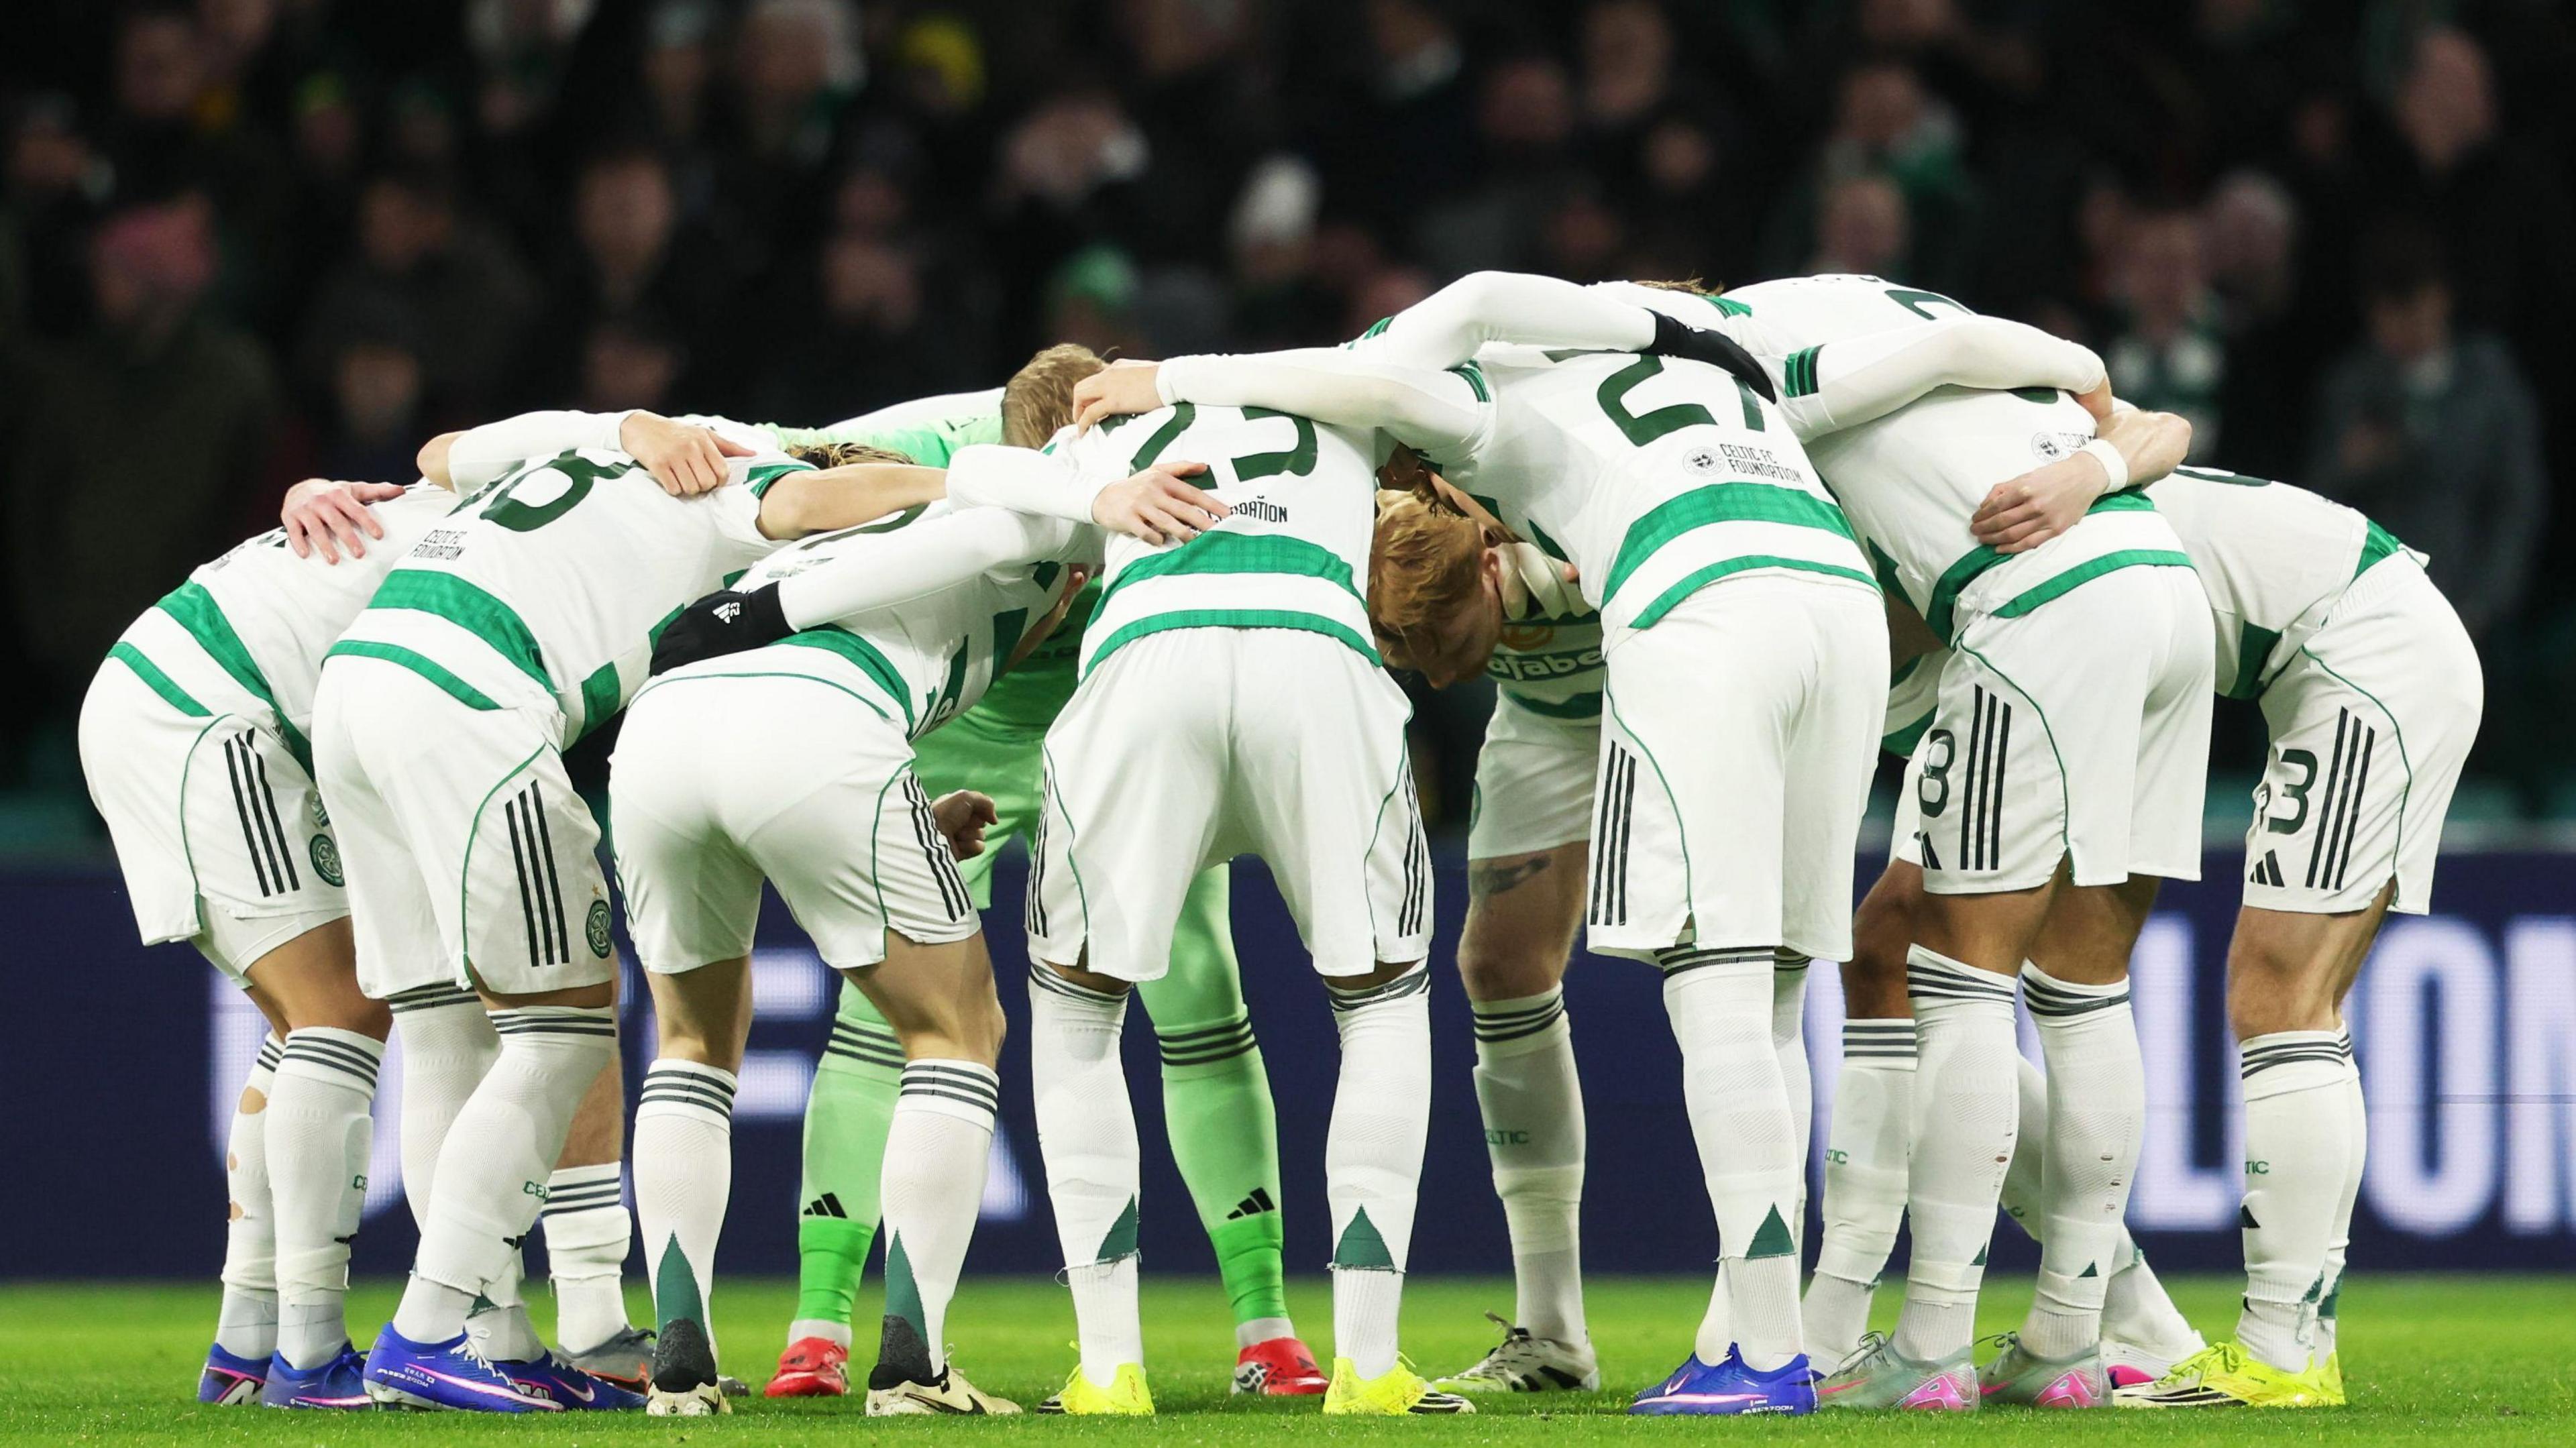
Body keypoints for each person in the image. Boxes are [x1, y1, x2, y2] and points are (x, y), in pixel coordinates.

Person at [1077, 268, 2119, 1414]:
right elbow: (1928, 360)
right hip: (1828, 612)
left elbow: (1425, 326)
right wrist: (2088, 392)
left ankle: (1764, 1354)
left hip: (1692, 613)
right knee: (1761, 984)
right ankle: (1720, 1333)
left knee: (1721, 985)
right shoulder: (1732, 356)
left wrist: (1160, 377)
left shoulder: (1478, 404)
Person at [317, 408, 941, 1412]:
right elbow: (823, 499)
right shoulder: (738, 477)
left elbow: (436, 454)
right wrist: (1005, 492)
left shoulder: (601, 441)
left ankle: (497, 1338)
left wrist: (630, 423)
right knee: (563, 1032)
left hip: (356, 684)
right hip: (470, 695)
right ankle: (425, 1334)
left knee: (441, 1026)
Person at [759, 359, 1330, 1400]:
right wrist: (647, 435)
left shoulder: (1185, 443)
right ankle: (817, 1328)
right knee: (882, 1011)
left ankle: (1268, 1328)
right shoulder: (926, 434)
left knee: (1201, 987)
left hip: (1116, 729)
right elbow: (765, 459)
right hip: (962, 737)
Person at [608, 437, 1152, 1416]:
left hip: (661, 730)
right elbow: (1025, 503)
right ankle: (915, 1365)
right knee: (957, 1030)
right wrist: (1099, 490)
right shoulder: (1042, 531)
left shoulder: (818, 534)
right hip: (815, 715)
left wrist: (906, 824)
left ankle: (680, 1366)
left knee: (690, 1043)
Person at [934, 400, 1458, 1417]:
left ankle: (1107, 1370)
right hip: (1318, 658)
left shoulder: (1121, 431)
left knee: (1081, 1015)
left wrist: (1096, 493)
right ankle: (1369, 1366)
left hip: (1146, 659)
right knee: (1382, 1003)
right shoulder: (1343, 408)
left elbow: (980, 481)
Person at [79, 474, 452, 1408]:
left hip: (175, 694)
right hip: (201, 708)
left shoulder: (471, 511)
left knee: (307, 1027)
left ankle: (249, 1347)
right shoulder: (521, 556)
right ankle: (311, 1355)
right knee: (342, 1009)